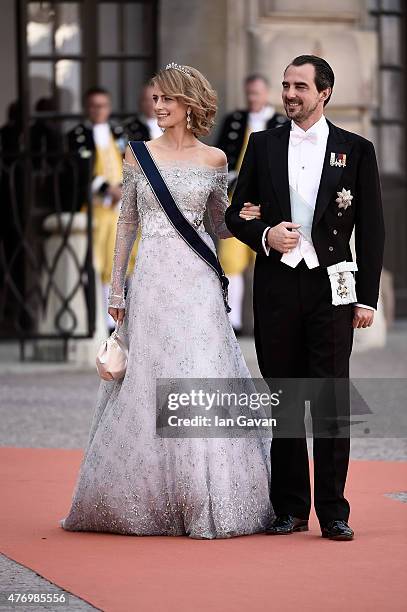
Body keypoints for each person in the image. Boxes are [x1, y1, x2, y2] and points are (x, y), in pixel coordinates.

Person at [60, 63, 272, 539]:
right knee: (148, 381)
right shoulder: (137, 156)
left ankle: (205, 495)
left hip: (197, 283)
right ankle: (149, 496)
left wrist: (255, 220)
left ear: (189, 105)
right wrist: (118, 289)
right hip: (152, 282)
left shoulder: (215, 160)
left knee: (199, 374)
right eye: (155, 99)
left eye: (166, 100)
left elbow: (219, 225)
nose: (157, 107)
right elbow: (128, 224)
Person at [226, 55, 385, 541]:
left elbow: (373, 229)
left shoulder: (356, 150)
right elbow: (236, 215)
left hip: (332, 287)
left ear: (324, 93)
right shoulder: (264, 144)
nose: (290, 93)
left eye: (300, 86)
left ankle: (334, 511)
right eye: (286, 85)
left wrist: (367, 298)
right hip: (277, 287)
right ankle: (290, 509)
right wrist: (264, 234)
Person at [216, 74, 288, 334]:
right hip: (238, 201)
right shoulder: (233, 121)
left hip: (270, 205)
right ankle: (232, 322)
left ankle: (272, 321)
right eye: (249, 94)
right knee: (231, 259)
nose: (252, 98)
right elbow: (221, 157)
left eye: (256, 93)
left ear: (266, 93)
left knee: (271, 260)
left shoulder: (282, 123)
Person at [67, 87, 138, 331]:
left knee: (118, 263)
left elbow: (130, 163)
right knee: (95, 262)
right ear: (88, 108)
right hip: (94, 209)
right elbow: (78, 170)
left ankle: (114, 321)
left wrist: (121, 188)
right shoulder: (77, 134)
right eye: (94, 106)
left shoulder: (118, 132)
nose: (99, 110)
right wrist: (105, 187)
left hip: (119, 207)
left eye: (103, 105)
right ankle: (96, 318)